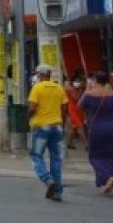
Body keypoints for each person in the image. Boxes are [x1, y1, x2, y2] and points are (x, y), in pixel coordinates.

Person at [79, 71, 113, 195]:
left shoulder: (89, 94)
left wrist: (87, 89)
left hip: (96, 128)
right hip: (111, 126)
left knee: (95, 157)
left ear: (95, 80)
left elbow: (80, 106)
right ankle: (112, 177)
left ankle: (107, 178)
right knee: (111, 156)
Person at [27, 64, 67, 202]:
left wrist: (27, 118)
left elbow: (32, 107)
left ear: (40, 75)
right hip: (57, 127)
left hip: (42, 127)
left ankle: (47, 179)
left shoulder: (37, 87)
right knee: (56, 159)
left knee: (36, 156)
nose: (37, 76)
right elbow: (64, 109)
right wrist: (61, 123)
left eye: (37, 74)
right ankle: (57, 192)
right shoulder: (59, 88)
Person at [65, 69, 87, 150]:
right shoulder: (70, 88)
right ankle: (86, 144)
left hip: (79, 108)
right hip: (73, 108)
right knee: (80, 126)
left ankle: (69, 143)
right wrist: (81, 89)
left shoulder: (79, 87)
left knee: (75, 128)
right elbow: (77, 97)